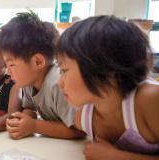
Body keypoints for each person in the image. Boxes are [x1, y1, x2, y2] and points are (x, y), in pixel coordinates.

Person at [56, 15, 159, 159]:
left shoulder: (149, 100)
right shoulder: (84, 119)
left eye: (64, 70)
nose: (59, 82)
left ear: (106, 69)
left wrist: (115, 156)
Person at [0, 10, 85, 140]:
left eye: (12, 65)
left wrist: (34, 126)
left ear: (38, 61)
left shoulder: (58, 83)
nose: (8, 71)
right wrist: (22, 120)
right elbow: (29, 108)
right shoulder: (29, 81)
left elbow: (78, 131)